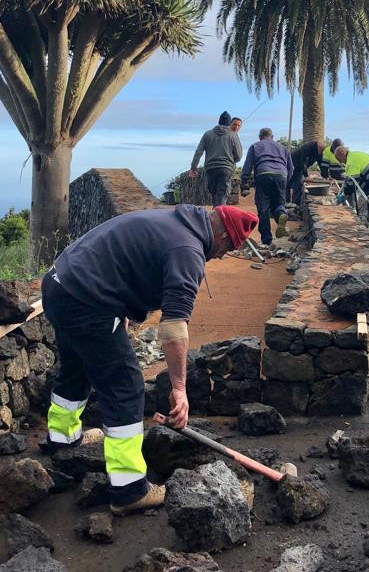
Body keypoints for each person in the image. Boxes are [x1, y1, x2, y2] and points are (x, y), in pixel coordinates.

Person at [42, 204, 259, 515]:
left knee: (76, 366)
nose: (222, 255)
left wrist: (122, 310)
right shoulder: (188, 250)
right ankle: (129, 489)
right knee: (126, 386)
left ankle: (62, 440)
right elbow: (173, 329)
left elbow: (123, 260)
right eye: (228, 247)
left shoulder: (176, 219)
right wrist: (179, 388)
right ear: (222, 234)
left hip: (59, 284)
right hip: (87, 301)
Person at [240, 128, 294, 245]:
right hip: (281, 175)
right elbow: (291, 168)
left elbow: (247, 166)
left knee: (263, 208)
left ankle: (267, 240)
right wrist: (285, 181)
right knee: (279, 204)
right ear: (272, 137)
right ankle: (281, 214)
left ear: (260, 137)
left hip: (263, 174)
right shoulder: (283, 148)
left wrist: (245, 181)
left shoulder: (255, 146)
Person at [190, 111, 243, 206]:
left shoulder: (207, 134)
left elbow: (198, 152)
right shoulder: (233, 135)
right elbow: (238, 156)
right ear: (229, 123)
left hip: (210, 169)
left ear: (219, 121)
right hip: (226, 169)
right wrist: (231, 159)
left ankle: (215, 218)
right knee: (222, 196)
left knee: (215, 196)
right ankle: (218, 219)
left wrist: (193, 168)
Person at [289, 139, 324, 205]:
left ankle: (295, 206)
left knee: (298, 186)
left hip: (300, 169)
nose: (321, 152)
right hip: (292, 166)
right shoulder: (307, 148)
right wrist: (306, 176)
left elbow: (321, 163)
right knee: (288, 185)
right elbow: (303, 162)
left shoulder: (319, 152)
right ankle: (286, 205)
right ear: (317, 147)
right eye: (321, 150)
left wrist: (325, 175)